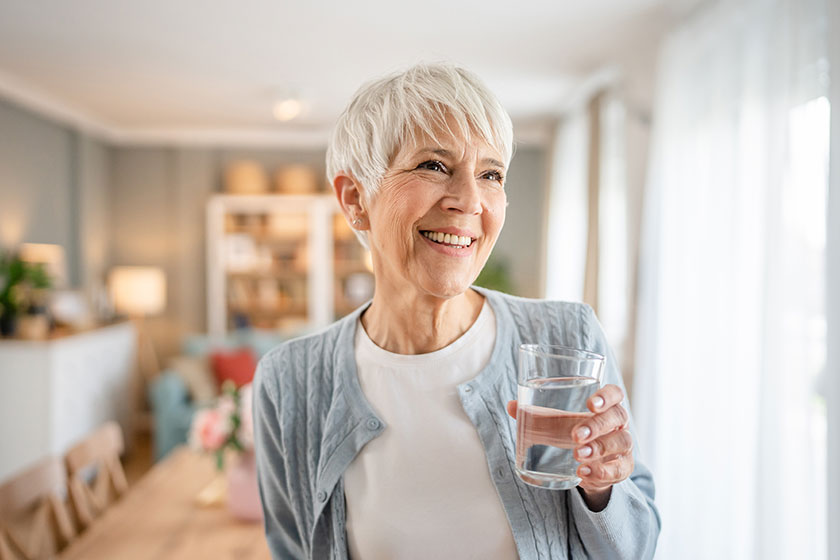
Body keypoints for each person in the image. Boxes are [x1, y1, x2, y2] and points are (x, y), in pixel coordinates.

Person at [253, 63, 660, 560]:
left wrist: (604, 489)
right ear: (355, 198)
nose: (469, 200)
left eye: (490, 174)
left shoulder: (567, 336)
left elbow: (635, 549)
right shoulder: (290, 380)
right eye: (433, 166)